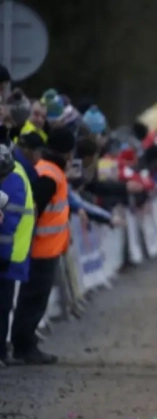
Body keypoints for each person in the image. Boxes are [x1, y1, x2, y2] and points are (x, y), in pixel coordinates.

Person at [11, 127, 76, 364]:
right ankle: (24, 345)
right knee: (34, 299)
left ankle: (25, 342)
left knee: (34, 299)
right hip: (41, 248)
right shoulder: (50, 174)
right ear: (68, 152)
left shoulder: (48, 170)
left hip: (44, 247)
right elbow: (35, 209)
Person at [0, 144, 34, 366]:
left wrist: (3, 256)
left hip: (8, 257)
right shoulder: (14, 177)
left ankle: (1, 352)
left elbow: (7, 228)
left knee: (3, 306)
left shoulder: (12, 183)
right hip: (10, 255)